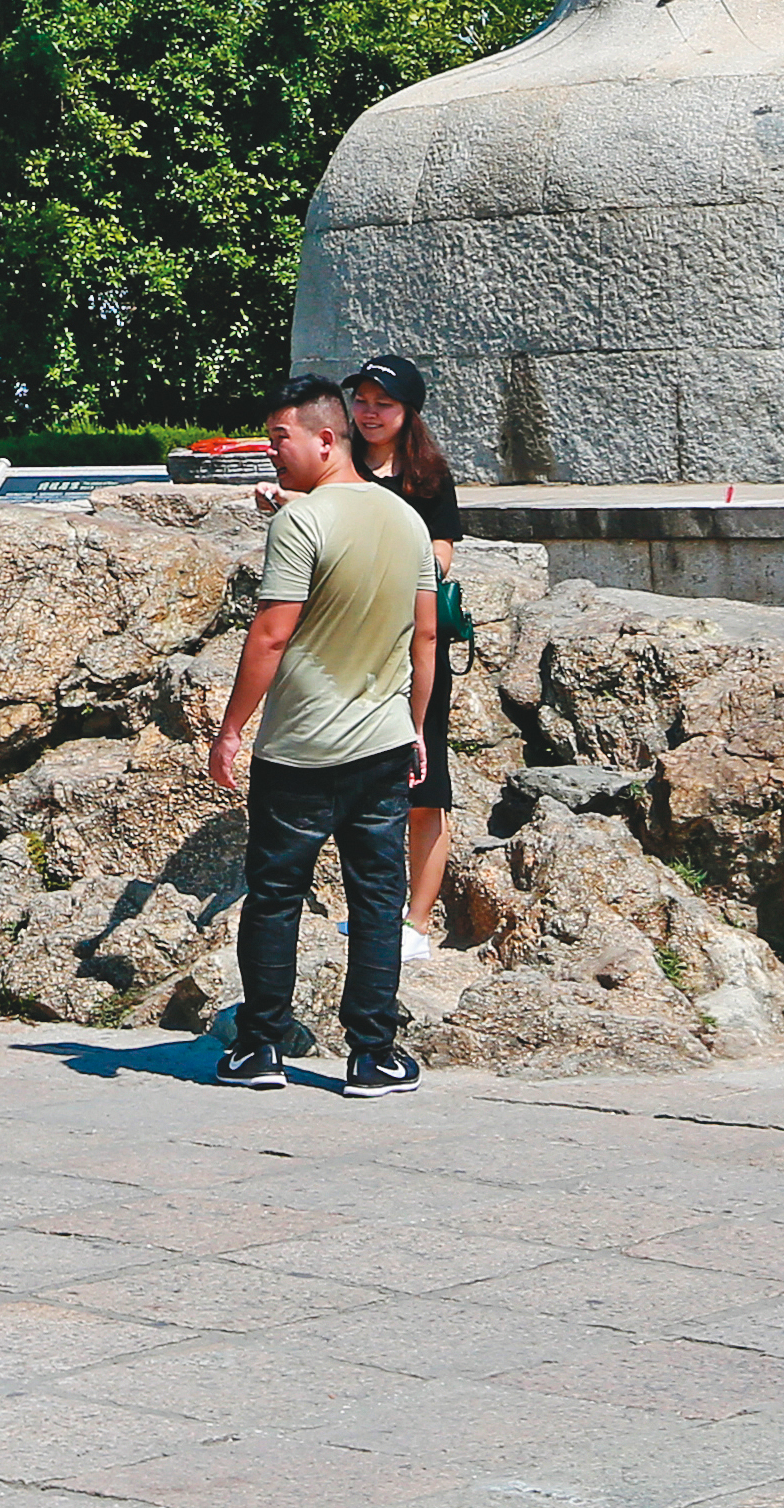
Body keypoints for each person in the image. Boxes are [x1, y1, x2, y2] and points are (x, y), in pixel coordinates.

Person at [203, 379, 437, 1095]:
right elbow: (426, 634)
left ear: (324, 439)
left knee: (274, 894)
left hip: (300, 748)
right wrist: (417, 727)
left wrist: (232, 729)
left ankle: (260, 1047)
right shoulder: (406, 521)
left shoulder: (299, 524)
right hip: (383, 743)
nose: (270, 453)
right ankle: (373, 1053)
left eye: (279, 439)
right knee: (375, 899)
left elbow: (272, 633)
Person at [339, 353, 473, 943]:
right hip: (350, 643)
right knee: (360, 786)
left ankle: (416, 921)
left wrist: (391, 563)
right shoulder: (339, 464)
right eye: (361, 401)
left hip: (415, 645)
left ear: (407, 411)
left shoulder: (429, 474)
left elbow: (441, 555)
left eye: (383, 404)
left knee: (425, 785)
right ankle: (374, 911)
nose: (368, 413)